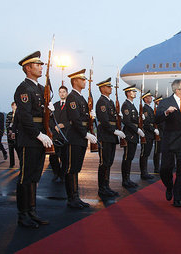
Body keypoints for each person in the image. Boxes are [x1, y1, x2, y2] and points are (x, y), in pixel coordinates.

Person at [14, 51, 53, 229]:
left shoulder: (38, 88)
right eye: (37, 65)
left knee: (34, 177)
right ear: (28, 68)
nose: (41, 67)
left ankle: (32, 211)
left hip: (38, 138)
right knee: (25, 177)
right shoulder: (24, 88)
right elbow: (25, 116)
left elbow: (41, 114)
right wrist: (38, 134)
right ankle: (23, 214)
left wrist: (49, 109)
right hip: (29, 138)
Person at [155, 79, 181, 207]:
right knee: (165, 169)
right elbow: (157, 118)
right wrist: (166, 112)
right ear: (178, 90)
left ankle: (178, 197)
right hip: (169, 141)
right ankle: (169, 186)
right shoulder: (165, 102)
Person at [64, 69, 98, 209]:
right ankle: (72, 198)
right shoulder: (72, 97)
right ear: (75, 81)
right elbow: (75, 119)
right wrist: (85, 134)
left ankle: (76, 196)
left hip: (80, 137)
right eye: (82, 79)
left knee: (76, 168)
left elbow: (83, 118)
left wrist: (91, 117)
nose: (85, 81)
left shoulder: (81, 98)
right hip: (75, 137)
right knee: (71, 168)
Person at [96, 78, 125, 197]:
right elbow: (104, 121)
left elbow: (113, 119)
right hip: (105, 136)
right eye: (108, 87)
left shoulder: (111, 102)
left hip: (111, 136)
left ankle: (106, 186)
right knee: (104, 162)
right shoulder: (101, 102)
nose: (111, 88)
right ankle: (102, 188)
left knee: (109, 162)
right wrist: (115, 131)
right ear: (102, 88)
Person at [121, 84, 145, 188]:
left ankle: (128, 178)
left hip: (133, 134)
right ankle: (125, 180)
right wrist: (137, 130)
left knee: (130, 158)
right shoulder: (126, 105)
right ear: (128, 93)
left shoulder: (132, 105)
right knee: (127, 158)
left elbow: (134, 119)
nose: (135, 93)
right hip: (129, 134)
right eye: (133, 91)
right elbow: (127, 121)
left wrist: (140, 118)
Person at [50, 85, 69, 183]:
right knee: (53, 157)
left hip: (65, 135)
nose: (62, 93)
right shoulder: (55, 105)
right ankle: (56, 173)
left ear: (67, 93)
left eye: (64, 92)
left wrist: (63, 125)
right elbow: (50, 119)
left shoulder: (70, 105)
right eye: (60, 92)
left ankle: (62, 174)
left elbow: (72, 120)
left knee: (65, 157)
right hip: (55, 135)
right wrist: (55, 126)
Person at [141, 90, 157, 180]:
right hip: (147, 134)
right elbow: (147, 123)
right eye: (149, 97)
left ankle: (145, 172)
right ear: (145, 99)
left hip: (150, 134)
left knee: (147, 153)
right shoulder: (145, 109)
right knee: (144, 154)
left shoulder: (150, 108)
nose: (151, 98)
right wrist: (154, 129)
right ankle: (143, 173)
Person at [153, 95, 163, 173]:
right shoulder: (155, 111)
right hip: (158, 134)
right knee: (157, 151)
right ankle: (156, 168)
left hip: (164, 133)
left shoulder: (162, 111)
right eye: (159, 102)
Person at [5, 102, 17, 168]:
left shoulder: (19, 114)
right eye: (14, 105)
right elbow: (7, 123)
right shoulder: (9, 114)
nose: (14, 106)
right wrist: (9, 130)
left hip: (16, 134)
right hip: (9, 134)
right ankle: (11, 163)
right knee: (10, 149)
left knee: (18, 149)